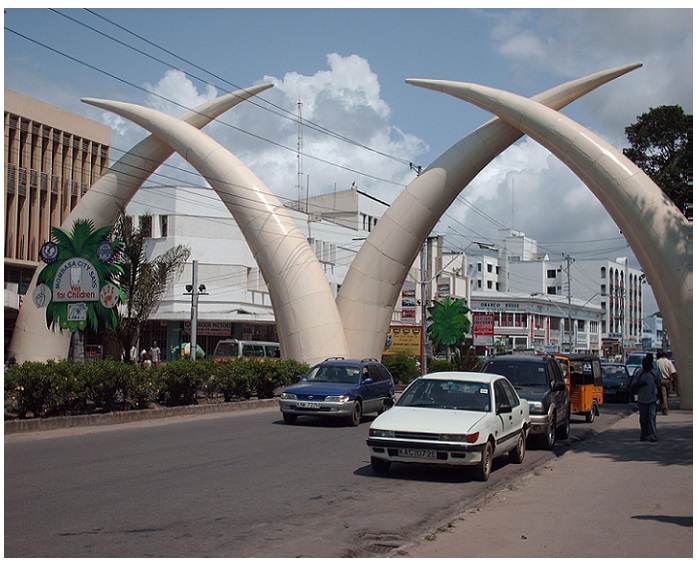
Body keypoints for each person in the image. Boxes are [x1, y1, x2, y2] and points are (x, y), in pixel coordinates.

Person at [634, 353, 662, 442]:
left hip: (652, 399)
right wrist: (640, 384)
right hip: (642, 399)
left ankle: (652, 435)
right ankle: (644, 434)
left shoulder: (654, 373)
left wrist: (660, 398)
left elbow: (658, 385)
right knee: (643, 419)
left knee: (651, 417)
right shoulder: (639, 373)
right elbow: (633, 385)